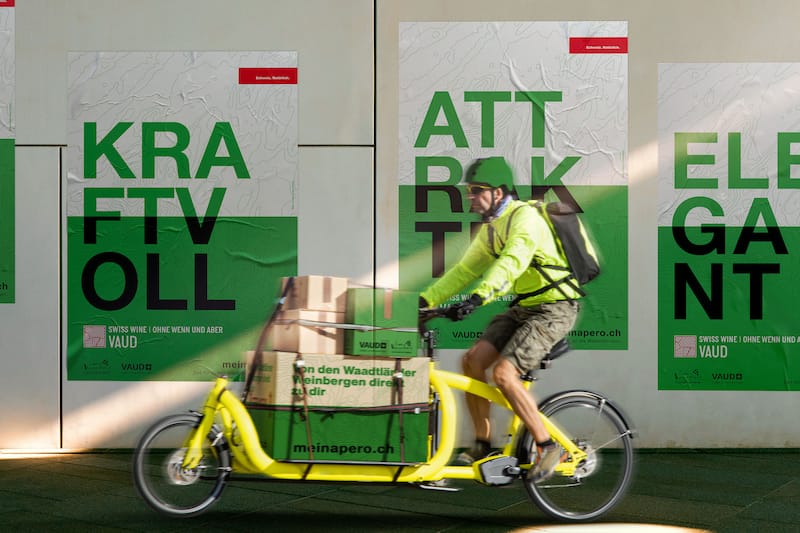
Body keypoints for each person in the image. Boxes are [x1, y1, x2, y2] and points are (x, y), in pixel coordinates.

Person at [418, 156, 582, 482]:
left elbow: (512, 262)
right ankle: (483, 445)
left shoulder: (525, 219)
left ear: (498, 192)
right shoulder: (492, 228)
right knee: (472, 361)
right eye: (469, 191)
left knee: (505, 374)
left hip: (555, 308)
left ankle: (548, 446)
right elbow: (465, 270)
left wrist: (478, 298)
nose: (470, 197)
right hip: (526, 307)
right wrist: (426, 301)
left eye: (477, 191)